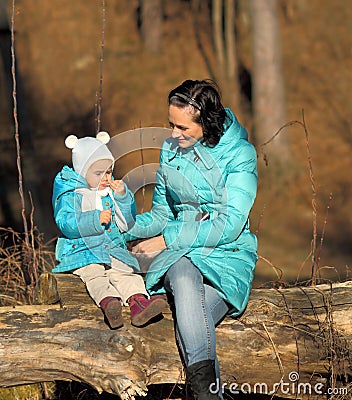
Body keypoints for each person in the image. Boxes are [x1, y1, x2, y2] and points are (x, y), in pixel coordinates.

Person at [128, 79, 258, 399]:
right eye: (171, 124)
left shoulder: (240, 154)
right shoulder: (170, 149)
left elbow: (228, 226)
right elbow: (161, 213)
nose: (173, 133)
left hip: (228, 252)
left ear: (207, 121)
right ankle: (208, 395)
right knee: (184, 273)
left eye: (182, 126)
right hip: (182, 255)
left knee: (190, 317)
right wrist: (122, 227)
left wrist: (167, 239)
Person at [52, 132, 167, 329]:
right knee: (95, 274)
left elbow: (126, 223)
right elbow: (66, 223)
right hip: (82, 251)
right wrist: (94, 219)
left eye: (108, 171)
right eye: (99, 173)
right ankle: (109, 302)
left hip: (111, 249)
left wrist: (123, 197)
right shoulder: (71, 194)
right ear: (82, 171)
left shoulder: (108, 192)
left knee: (126, 272)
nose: (106, 177)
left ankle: (139, 302)